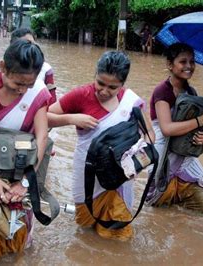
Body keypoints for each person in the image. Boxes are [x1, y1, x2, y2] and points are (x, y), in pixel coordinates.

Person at [48, 51, 153, 241]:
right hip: (87, 173)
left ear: (123, 84)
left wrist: (136, 164)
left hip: (120, 176)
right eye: (100, 83)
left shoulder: (131, 102)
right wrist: (71, 118)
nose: (104, 91)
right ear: (95, 76)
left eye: (112, 87)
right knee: (85, 225)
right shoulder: (81, 95)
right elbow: (43, 117)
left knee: (118, 235)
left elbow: (149, 136)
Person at [0, 40, 51, 264]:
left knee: (18, 248)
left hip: (21, 177)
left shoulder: (39, 94)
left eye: (29, 84)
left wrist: (25, 183)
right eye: (17, 83)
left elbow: (42, 137)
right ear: (3, 67)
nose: (23, 90)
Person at [145, 43, 203, 214]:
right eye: (183, 62)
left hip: (184, 158)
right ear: (170, 65)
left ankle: (179, 198)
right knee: (157, 211)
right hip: (164, 158)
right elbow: (167, 129)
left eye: (192, 62)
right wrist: (201, 120)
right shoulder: (162, 92)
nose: (189, 66)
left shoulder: (192, 93)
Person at [11, 28, 57, 104]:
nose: (30, 47)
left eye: (32, 43)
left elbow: (52, 100)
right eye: (25, 44)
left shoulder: (45, 68)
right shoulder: (8, 66)